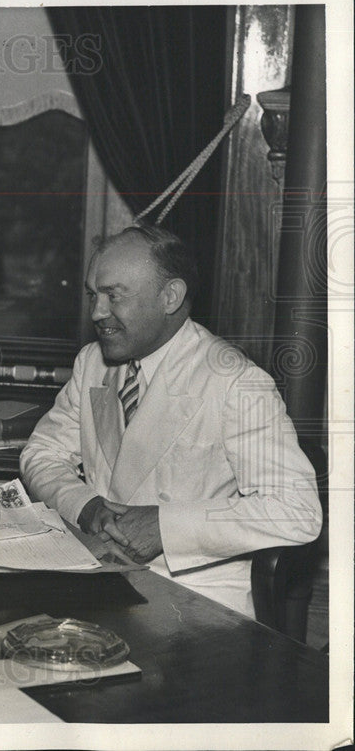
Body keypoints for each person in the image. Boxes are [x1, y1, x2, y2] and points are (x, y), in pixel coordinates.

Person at [19, 224, 321, 615]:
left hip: (196, 605)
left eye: (114, 296)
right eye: (93, 295)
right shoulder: (92, 363)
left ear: (170, 296)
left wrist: (165, 526)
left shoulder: (235, 381)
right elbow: (41, 452)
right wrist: (86, 504)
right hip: (100, 580)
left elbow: (297, 511)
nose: (97, 313)